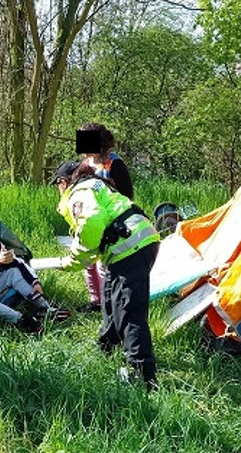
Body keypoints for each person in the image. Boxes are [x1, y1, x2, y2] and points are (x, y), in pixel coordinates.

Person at [52, 160, 161, 390]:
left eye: (58, 185)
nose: (58, 191)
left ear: (64, 182)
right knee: (111, 300)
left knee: (129, 314)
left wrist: (72, 260)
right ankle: (106, 350)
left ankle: (144, 379)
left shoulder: (79, 191)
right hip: (134, 245)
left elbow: (92, 224)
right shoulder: (95, 184)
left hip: (131, 248)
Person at [0, 215, 70, 333]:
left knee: (13, 272)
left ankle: (44, 306)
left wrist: (34, 281)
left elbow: (19, 263)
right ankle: (21, 319)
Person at [76, 122, 134, 313]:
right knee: (89, 262)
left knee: (104, 265)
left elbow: (127, 196)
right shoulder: (85, 164)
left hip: (111, 220)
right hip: (90, 218)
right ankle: (96, 300)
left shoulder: (115, 163)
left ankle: (110, 303)